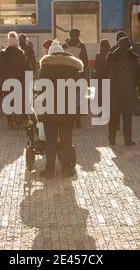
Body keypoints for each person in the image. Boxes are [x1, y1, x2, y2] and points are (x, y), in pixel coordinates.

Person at [37, 40, 84, 179]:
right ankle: (66, 169)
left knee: (50, 140)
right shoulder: (72, 68)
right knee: (66, 140)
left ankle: (50, 170)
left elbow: (40, 87)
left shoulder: (45, 67)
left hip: (49, 109)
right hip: (67, 109)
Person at [106, 36, 140, 146]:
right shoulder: (133, 57)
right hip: (128, 91)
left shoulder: (111, 57)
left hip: (113, 91)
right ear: (128, 45)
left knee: (113, 116)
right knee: (127, 117)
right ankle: (128, 140)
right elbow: (138, 74)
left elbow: (104, 72)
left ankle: (111, 139)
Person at [0, 32, 27, 129]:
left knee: (8, 102)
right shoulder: (20, 53)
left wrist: (1, 79)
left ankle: (9, 122)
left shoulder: (2, 53)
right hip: (18, 80)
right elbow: (25, 68)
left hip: (6, 81)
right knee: (19, 100)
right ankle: (19, 118)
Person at [63, 29, 89, 127]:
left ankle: (69, 119)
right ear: (78, 35)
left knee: (68, 97)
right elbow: (85, 61)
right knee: (78, 97)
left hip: (67, 76)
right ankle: (78, 120)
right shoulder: (81, 46)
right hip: (79, 75)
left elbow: (62, 60)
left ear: (69, 36)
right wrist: (81, 70)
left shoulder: (65, 46)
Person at [94, 39, 111, 107]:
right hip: (108, 75)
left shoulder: (98, 54)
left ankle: (100, 106)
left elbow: (95, 66)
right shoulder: (110, 54)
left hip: (99, 76)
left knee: (100, 91)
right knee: (107, 92)